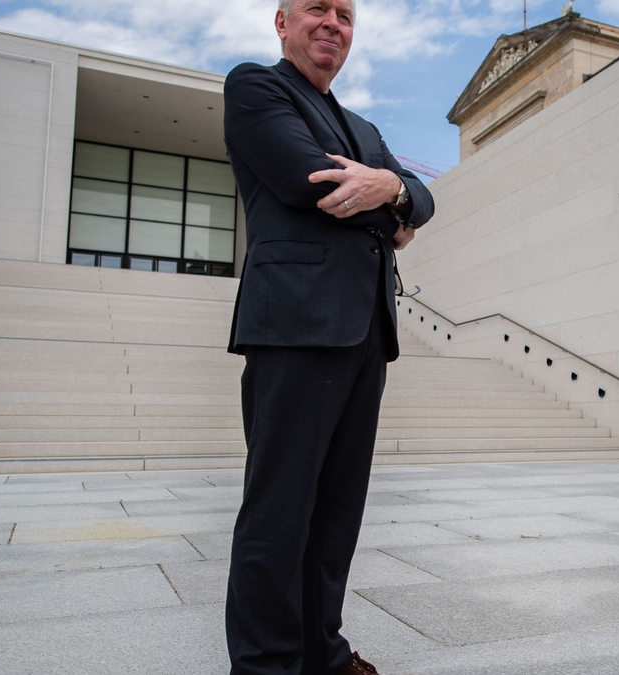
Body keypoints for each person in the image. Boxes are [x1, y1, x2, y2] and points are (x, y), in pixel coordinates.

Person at [222, 0, 434, 674]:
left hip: (366, 327)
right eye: (317, 7)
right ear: (282, 22)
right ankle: (268, 665)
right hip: (295, 322)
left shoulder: (363, 128)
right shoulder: (256, 87)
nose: (332, 23)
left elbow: (422, 200)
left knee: (337, 514)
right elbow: (307, 179)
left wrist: (390, 185)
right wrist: (388, 206)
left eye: (345, 13)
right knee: (279, 512)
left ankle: (325, 653)